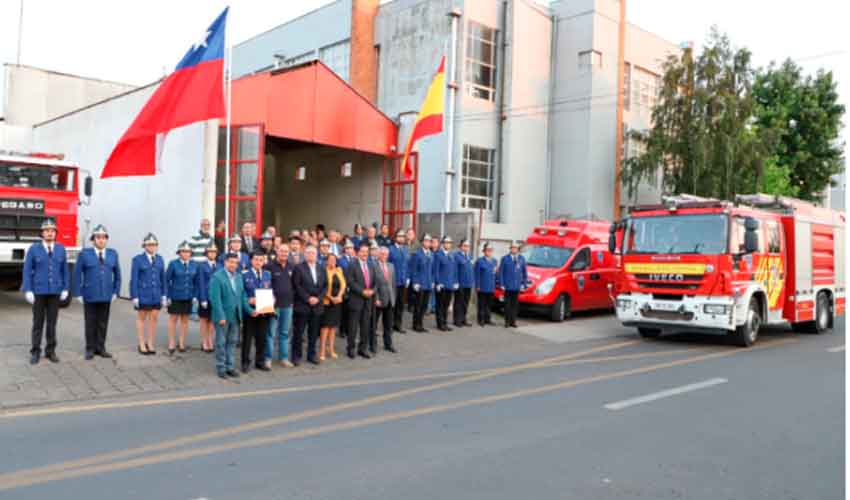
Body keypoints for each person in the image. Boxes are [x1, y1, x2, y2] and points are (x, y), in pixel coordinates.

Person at [22, 218, 69, 364]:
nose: (49, 233)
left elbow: (65, 271)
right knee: (37, 323)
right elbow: (27, 270)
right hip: (39, 292)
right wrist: (28, 290)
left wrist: (65, 288)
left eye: (52, 231)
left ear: (56, 233)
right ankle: (35, 351)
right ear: (42, 233)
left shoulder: (61, 249)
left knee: (52, 323)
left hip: (55, 292)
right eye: (46, 231)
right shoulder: (34, 249)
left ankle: (51, 351)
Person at [72, 224, 121, 360]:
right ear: (93, 239)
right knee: (90, 322)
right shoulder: (84, 254)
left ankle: (101, 348)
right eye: (98, 237)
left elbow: (118, 275)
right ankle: (90, 349)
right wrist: (78, 293)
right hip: (90, 295)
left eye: (103, 237)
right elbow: (77, 274)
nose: (101, 240)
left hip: (106, 294)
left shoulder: (112, 254)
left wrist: (116, 292)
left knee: (103, 322)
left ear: (106, 239)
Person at [208, 252, 249, 379]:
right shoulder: (217, 277)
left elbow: (242, 296)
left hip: (236, 315)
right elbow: (215, 299)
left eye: (235, 263)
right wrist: (220, 316)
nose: (233, 265)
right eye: (230, 262)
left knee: (232, 342)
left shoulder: (238, 276)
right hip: (223, 317)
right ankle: (221, 368)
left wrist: (248, 309)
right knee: (221, 342)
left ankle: (230, 366)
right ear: (225, 262)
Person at [130, 233, 167, 355]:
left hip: (156, 294)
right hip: (143, 294)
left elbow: (163, 278)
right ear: (144, 246)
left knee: (154, 318)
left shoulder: (160, 259)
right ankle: (141, 343)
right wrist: (134, 296)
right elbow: (134, 279)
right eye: (149, 245)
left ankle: (150, 342)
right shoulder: (137, 259)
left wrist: (164, 295)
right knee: (142, 318)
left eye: (154, 245)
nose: (152, 247)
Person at [292, 244, 327, 365]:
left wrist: (318, 298)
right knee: (299, 333)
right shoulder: (298, 268)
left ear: (316, 255)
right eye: (308, 253)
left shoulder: (321, 268)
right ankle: (296, 356)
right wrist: (308, 298)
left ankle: (311, 355)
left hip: (317, 306)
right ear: (304, 254)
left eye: (313, 253)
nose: (311, 255)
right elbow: (297, 286)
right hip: (302, 306)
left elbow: (325, 286)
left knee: (313, 333)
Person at [165, 241, 200, 355]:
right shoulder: (173, 264)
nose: (186, 254)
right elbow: (166, 280)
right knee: (173, 319)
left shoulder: (194, 265)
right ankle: (171, 342)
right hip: (175, 296)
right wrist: (167, 296)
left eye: (188, 252)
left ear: (191, 253)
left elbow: (197, 282)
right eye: (183, 251)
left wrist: (195, 295)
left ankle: (181, 342)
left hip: (188, 296)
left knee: (185, 320)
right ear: (179, 253)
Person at [345, 243, 378, 358]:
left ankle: (363, 349)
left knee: (365, 326)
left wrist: (372, 291)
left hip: (368, 301)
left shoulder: (371, 265)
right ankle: (351, 348)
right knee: (353, 326)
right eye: (362, 251)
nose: (365, 254)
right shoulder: (352, 265)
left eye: (366, 251)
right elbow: (350, 281)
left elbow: (375, 281)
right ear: (358, 252)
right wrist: (362, 291)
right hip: (356, 300)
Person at [241, 250, 273, 372]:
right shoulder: (244, 275)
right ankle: (245, 363)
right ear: (251, 261)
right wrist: (249, 303)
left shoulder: (267, 274)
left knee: (262, 338)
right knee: (247, 339)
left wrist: (273, 298)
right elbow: (242, 294)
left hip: (264, 310)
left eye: (261, 260)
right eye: (256, 260)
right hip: (250, 312)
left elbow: (270, 290)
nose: (258, 262)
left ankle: (260, 362)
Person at [266, 244, 294, 368]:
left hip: (288, 305)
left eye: (286, 251)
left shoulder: (292, 266)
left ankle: (284, 358)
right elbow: (265, 284)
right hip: (273, 306)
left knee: (284, 333)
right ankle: (267, 358)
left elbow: (295, 285)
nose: (284, 253)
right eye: (281, 251)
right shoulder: (269, 266)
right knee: (271, 333)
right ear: (277, 251)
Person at [319, 253, 346, 361]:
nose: (332, 262)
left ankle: (331, 349)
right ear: (326, 261)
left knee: (333, 327)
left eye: (334, 260)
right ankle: (321, 350)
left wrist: (339, 296)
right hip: (327, 302)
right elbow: (322, 287)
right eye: (330, 260)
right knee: (325, 327)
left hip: (337, 303)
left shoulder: (339, 271)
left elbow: (343, 285)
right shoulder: (323, 271)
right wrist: (331, 298)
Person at [499, 240, 528, 328]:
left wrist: (524, 284)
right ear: (510, 249)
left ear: (518, 249)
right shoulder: (505, 258)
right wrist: (502, 284)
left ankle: (513, 321)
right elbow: (501, 272)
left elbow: (524, 273)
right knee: (507, 305)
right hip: (507, 286)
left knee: (515, 305)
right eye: (512, 248)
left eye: (515, 248)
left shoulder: (521, 258)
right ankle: (507, 321)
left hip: (517, 286)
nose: (514, 249)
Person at [374, 247, 398, 353]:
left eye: (386, 254)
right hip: (379, 300)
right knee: (373, 324)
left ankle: (388, 344)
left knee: (388, 324)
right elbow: (373, 284)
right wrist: (376, 298)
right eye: (382, 254)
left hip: (390, 299)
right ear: (378, 254)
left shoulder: (391, 266)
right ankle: (372, 344)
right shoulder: (373, 266)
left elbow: (393, 284)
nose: (384, 256)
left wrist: (394, 298)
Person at [197, 243, 219, 352]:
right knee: (204, 320)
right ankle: (204, 341)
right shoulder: (202, 266)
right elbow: (200, 282)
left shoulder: (219, 265)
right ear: (206, 253)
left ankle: (210, 340)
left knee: (212, 320)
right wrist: (202, 298)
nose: (212, 254)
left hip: (215, 297)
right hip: (205, 296)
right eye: (210, 252)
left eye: (214, 252)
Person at [409, 234, 434, 333]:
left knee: (424, 305)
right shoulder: (417, 254)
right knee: (418, 305)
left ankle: (421, 323)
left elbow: (432, 270)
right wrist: (415, 282)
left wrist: (432, 281)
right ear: (422, 242)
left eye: (429, 241)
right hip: (420, 284)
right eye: (426, 241)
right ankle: (416, 324)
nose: (428, 243)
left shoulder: (431, 254)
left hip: (428, 283)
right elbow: (413, 269)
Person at [433, 236, 458, 332]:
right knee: (440, 305)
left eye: (450, 243)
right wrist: (438, 283)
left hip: (449, 285)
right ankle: (440, 324)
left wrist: (455, 282)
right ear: (443, 244)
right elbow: (436, 270)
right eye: (446, 243)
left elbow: (455, 270)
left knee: (446, 305)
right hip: (442, 285)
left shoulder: (452, 255)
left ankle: (445, 322)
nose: (448, 244)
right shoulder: (438, 255)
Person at [387, 229, 408, 333]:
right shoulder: (390, 249)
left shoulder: (405, 249)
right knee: (391, 305)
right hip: (392, 281)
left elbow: (406, 265)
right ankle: (389, 325)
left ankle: (398, 324)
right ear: (395, 238)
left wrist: (407, 277)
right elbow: (387, 265)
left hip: (402, 281)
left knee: (400, 304)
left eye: (403, 236)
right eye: (399, 236)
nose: (401, 238)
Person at [474, 243, 498, 326]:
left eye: (491, 250)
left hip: (491, 287)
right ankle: (481, 320)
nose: (489, 252)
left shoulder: (495, 261)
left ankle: (488, 319)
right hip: (482, 287)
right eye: (488, 250)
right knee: (482, 304)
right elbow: (476, 274)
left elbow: (495, 274)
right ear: (484, 251)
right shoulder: (480, 261)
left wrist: (495, 285)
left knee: (489, 304)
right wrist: (477, 285)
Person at [453, 238, 474, 327]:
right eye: (465, 246)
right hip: (460, 283)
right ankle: (457, 320)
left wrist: (472, 281)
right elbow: (454, 270)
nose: (466, 248)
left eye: (468, 246)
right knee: (459, 302)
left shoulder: (469, 257)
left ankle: (463, 319)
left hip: (468, 283)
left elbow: (471, 270)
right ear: (460, 246)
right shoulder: (457, 256)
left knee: (466, 302)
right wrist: (455, 282)